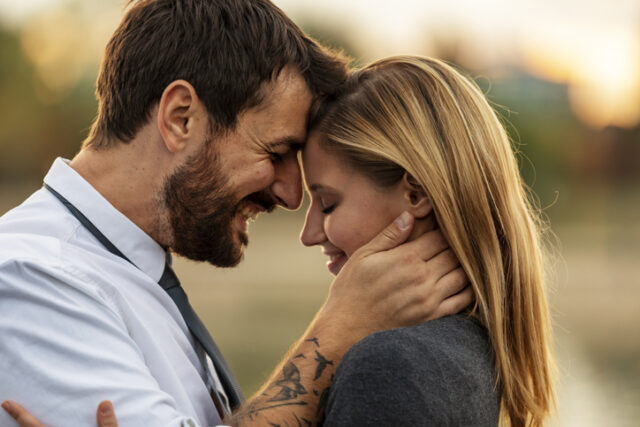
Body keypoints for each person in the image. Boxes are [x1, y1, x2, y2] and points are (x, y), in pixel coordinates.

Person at [0, 2, 471, 427]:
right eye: (278, 150)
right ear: (181, 117)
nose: (290, 195)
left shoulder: (123, 272)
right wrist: (338, 329)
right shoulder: (28, 277)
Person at [297, 56, 556, 426]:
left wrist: (331, 331)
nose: (308, 234)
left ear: (416, 195)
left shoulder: (388, 368)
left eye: (327, 203)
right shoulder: (473, 349)